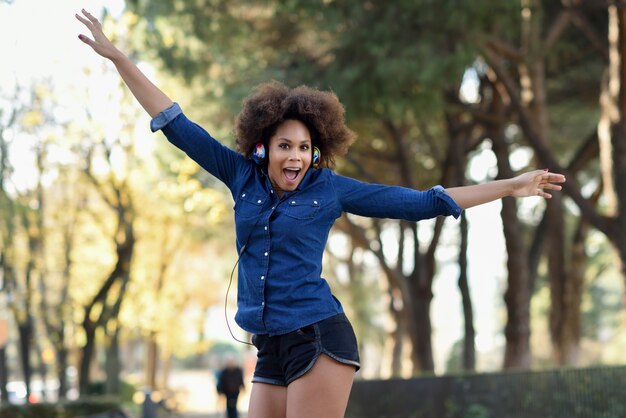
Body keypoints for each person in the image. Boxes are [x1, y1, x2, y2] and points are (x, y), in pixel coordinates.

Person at [76, 9, 566, 418]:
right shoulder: (239, 176)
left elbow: (423, 203)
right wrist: (120, 57)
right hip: (268, 345)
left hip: (319, 339)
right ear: (262, 147)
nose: (294, 156)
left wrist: (511, 185)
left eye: (305, 148)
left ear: (317, 152)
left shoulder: (329, 190)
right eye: (284, 145)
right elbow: (175, 122)